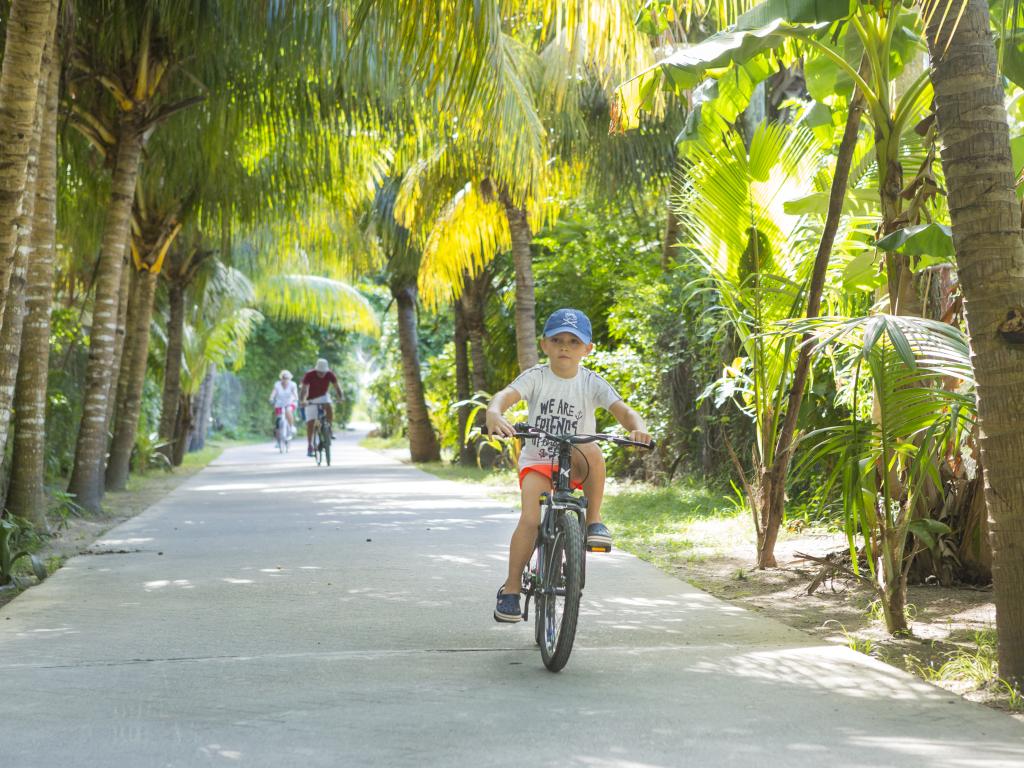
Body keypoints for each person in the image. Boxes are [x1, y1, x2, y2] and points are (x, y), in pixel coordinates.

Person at [485, 308, 652, 623]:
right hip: (539, 461)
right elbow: (507, 396)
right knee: (530, 520)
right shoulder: (537, 377)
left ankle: (594, 521)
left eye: (574, 342)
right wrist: (495, 411)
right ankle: (511, 589)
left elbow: (625, 412)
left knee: (591, 447)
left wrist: (637, 427)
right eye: (557, 339)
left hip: (576, 461)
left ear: (587, 349)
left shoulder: (591, 382)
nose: (565, 347)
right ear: (544, 344)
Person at [300, 358, 344, 457]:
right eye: (319, 372)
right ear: (316, 370)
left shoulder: (330, 374)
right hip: (310, 399)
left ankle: (329, 428)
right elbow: (304, 388)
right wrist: (302, 400)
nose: (321, 374)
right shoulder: (309, 375)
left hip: (323, 397)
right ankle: (310, 445)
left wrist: (341, 397)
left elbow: (337, 387)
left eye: (323, 372)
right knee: (310, 422)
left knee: (329, 406)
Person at [269, 370, 298, 440]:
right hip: (279, 404)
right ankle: (278, 438)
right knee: (278, 420)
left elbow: (294, 393)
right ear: (281, 378)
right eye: (283, 377)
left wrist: (296, 398)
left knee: (288, 411)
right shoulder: (277, 384)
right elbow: (274, 392)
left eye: (287, 378)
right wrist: (271, 398)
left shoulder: (292, 384)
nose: (285, 379)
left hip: (290, 402)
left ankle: (291, 427)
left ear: (289, 378)